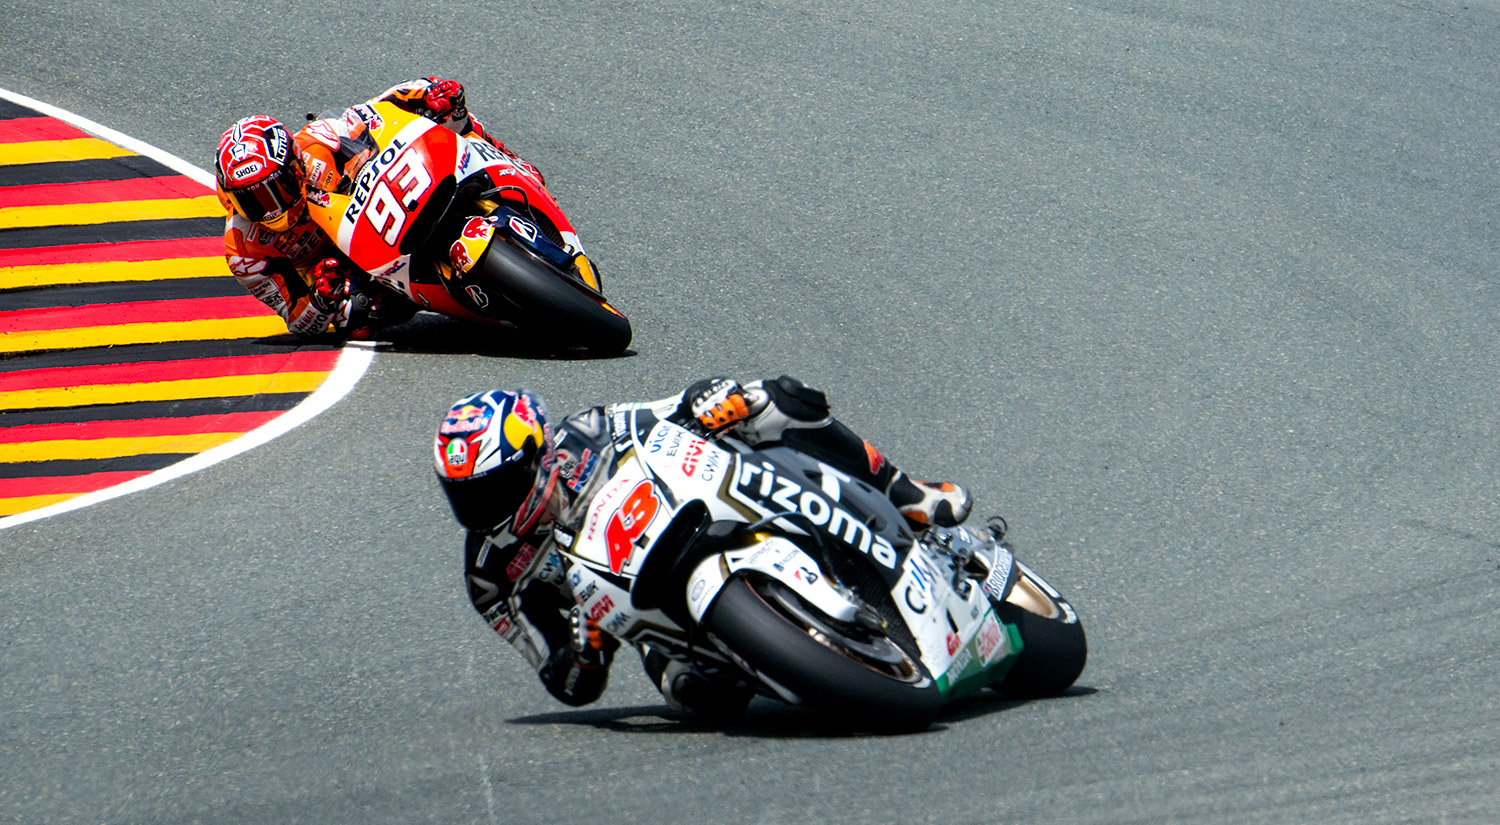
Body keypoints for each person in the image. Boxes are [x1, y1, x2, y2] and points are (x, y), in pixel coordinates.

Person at [433, 376, 975, 717]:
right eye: (467, 497)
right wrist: (586, 647)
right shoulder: (492, 577)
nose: (483, 510)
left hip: (694, 512)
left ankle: (907, 493)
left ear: (537, 455)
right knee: (690, 694)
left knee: (776, 399)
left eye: (493, 489)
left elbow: (670, 408)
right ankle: (794, 656)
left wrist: (710, 401)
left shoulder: (587, 431)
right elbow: (566, 683)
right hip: (643, 618)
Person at [213, 78, 544, 339]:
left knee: (449, 114)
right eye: (252, 201)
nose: (271, 209)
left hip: (391, 201)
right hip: (358, 272)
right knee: (352, 321)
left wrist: (426, 96)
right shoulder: (243, 251)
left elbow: (377, 112)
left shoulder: (318, 142)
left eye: (277, 189)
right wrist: (321, 298)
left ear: (295, 164)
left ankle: (508, 160)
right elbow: (298, 322)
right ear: (230, 198)